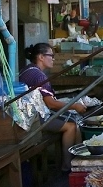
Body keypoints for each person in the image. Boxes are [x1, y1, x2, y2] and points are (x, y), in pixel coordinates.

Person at [19, 43, 87, 173]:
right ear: (41, 57)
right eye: (51, 56)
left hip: (29, 116)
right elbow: (50, 103)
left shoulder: (27, 70)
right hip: (35, 119)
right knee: (71, 127)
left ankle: (76, 161)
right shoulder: (39, 76)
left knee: (75, 121)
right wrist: (75, 106)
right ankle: (68, 167)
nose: (53, 59)